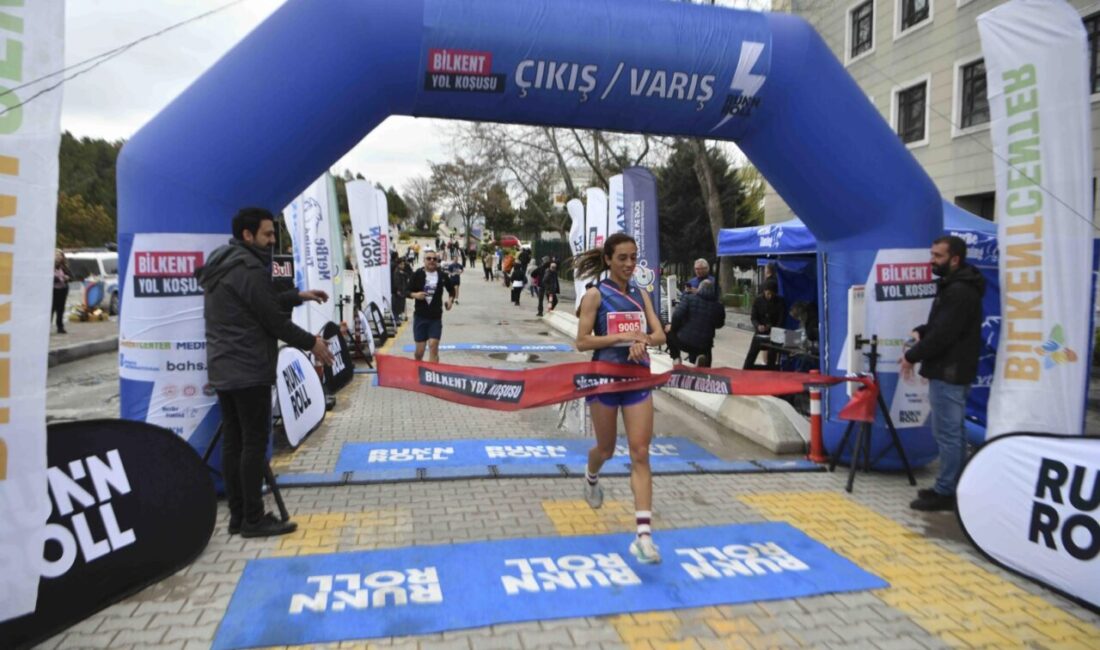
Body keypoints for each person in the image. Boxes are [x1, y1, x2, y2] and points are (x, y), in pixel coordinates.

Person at [195, 207, 335, 538]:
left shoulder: (223, 262)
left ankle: (238, 516)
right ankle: (254, 520)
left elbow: (262, 299)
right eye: (267, 234)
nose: (273, 240)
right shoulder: (248, 268)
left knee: (234, 442)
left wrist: (298, 295)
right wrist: (312, 342)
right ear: (248, 235)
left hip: (223, 367)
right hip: (248, 369)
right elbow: (273, 319)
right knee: (254, 444)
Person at [574, 232, 666, 564]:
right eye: (623, 258)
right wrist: (622, 337)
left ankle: (643, 537)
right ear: (609, 260)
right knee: (607, 449)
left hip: (637, 379)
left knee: (640, 453)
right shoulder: (595, 296)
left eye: (633, 258)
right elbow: (582, 342)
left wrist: (644, 340)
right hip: (604, 381)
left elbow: (659, 333)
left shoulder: (642, 295)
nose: (629, 264)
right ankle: (591, 474)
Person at [901, 235, 985, 512]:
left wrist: (912, 356)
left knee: (949, 433)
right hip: (947, 369)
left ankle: (947, 491)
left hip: (951, 372)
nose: (932, 260)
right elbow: (939, 327)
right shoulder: (952, 287)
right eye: (932, 254)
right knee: (952, 432)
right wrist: (922, 332)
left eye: (937, 256)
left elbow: (945, 335)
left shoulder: (960, 291)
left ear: (955, 259)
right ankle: (950, 485)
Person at [407, 249, 455, 362]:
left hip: (435, 318)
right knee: (420, 352)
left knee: (433, 346)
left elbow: (451, 290)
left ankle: (432, 375)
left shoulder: (442, 275)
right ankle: (418, 368)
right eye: (429, 258)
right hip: (420, 317)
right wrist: (415, 295)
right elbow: (405, 291)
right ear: (424, 260)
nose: (432, 261)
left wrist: (450, 301)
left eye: (435, 259)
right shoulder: (417, 274)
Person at [666, 279, 725, 367]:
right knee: (706, 350)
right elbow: (719, 324)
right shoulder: (718, 306)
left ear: (699, 289)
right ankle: (702, 363)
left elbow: (677, 316)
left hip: (683, 342)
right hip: (704, 346)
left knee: (669, 331)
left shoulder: (689, 298)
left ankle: (676, 358)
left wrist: (674, 328)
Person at [743, 280, 785, 369]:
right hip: (760, 333)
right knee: (752, 353)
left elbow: (781, 319)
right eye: (768, 293)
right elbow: (753, 317)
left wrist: (775, 330)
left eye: (772, 294)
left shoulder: (780, 301)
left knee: (772, 354)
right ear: (764, 291)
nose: (769, 296)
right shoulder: (758, 300)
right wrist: (758, 326)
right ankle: (746, 370)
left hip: (774, 333)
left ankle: (771, 370)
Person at [52, 250, 71, 334]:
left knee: (61, 309)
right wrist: (58, 279)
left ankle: (60, 326)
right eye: (56, 255)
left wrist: (67, 278)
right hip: (53, 290)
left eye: (59, 255)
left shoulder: (64, 267)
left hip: (62, 290)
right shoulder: (50, 266)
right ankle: (46, 326)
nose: (58, 257)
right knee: (51, 308)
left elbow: (71, 276)